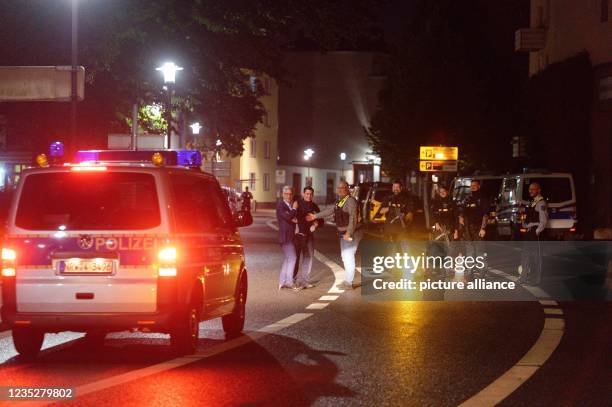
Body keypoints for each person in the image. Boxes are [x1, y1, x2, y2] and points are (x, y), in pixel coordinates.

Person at [307, 181, 362, 290]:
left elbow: (353, 218)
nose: (340, 190)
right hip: (343, 233)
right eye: (339, 188)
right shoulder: (340, 201)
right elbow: (330, 211)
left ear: (347, 189)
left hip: (352, 233)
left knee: (348, 257)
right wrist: (315, 216)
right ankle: (348, 281)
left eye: (343, 188)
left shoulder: (350, 201)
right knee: (345, 257)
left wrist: (349, 233)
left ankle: (349, 283)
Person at [377, 181, 414, 275]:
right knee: (392, 251)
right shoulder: (387, 198)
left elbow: (410, 214)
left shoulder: (406, 199)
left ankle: (408, 271)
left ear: (400, 188)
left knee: (405, 250)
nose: (395, 189)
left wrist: (406, 218)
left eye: (397, 187)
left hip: (402, 229)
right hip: (390, 229)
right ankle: (395, 272)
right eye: (394, 187)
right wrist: (389, 208)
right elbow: (381, 211)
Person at [457, 180, 489, 278]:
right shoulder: (468, 199)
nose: (473, 187)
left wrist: (483, 228)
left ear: (479, 186)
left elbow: (485, 215)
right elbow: (462, 212)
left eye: (475, 185)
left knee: (479, 250)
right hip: (468, 229)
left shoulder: (483, 199)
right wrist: (461, 217)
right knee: (469, 251)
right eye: (471, 186)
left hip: (478, 228)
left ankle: (482, 270)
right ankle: (470, 272)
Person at [292, 186, 323, 289]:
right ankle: (293, 281)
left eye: (310, 194)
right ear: (303, 194)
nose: (309, 196)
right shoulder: (298, 204)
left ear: (312, 195)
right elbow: (294, 217)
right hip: (298, 235)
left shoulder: (314, 206)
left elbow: (321, 220)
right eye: (307, 194)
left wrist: (316, 224)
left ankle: (304, 282)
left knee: (308, 257)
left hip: (309, 236)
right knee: (295, 258)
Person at [519, 182, 548, 285]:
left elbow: (543, 221)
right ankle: (524, 277)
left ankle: (536, 280)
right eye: (530, 189)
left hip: (535, 233)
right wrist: (525, 225)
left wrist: (537, 231)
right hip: (529, 232)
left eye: (533, 189)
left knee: (536, 257)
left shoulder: (541, 203)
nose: (530, 191)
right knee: (525, 255)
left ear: (538, 190)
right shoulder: (532, 202)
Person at [276, 186, 300, 290]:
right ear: (283, 195)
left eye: (290, 194)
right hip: (285, 237)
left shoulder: (288, 206)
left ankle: (282, 281)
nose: (289, 196)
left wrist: (292, 215)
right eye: (286, 194)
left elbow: (291, 217)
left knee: (287, 259)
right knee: (293, 258)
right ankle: (289, 282)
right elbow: (288, 217)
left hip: (290, 236)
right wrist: (294, 209)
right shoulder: (281, 205)